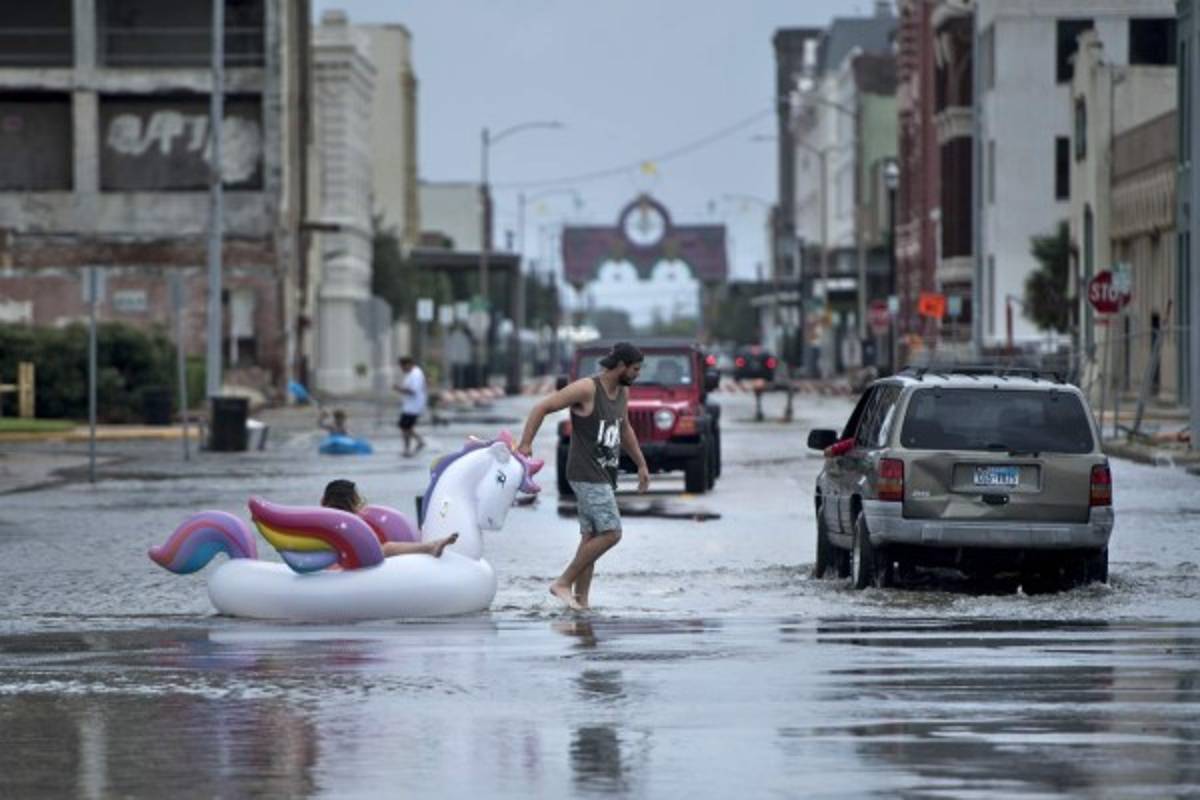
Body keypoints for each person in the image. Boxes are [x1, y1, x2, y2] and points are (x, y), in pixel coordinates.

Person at [517, 341, 649, 611]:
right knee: (612, 533)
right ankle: (563, 582)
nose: (638, 374)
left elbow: (624, 430)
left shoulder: (622, 392)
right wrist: (526, 443)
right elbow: (542, 407)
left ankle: (581, 601)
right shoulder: (587, 388)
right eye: (635, 369)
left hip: (604, 471)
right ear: (621, 366)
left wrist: (641, 464)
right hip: (585, 472)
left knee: (592, 537)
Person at [320, 479, 457, 557]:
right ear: (354, 503)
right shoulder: (353, 523)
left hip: (334, 560)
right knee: (386, 548)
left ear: (323, 500)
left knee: (385, 547)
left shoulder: (320, 519)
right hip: (344, 561)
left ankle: (431, 545)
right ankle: (430, 546)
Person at [393, 356, 428, 457]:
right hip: (410, 406)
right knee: (405, 426)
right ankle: (419, 441)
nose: (402, 369)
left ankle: (407, 449)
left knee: (404, 426)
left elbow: (413, 391)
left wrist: (398, 389)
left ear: (408, 364)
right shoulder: (412, 373)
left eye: (402, 367)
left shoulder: (415, 374)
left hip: (413, 407)